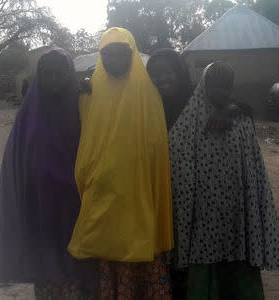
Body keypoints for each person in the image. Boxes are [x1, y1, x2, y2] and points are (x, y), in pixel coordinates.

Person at [156, 60, 279, 300]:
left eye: (226, 86)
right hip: (203, 211)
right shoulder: (189, 120)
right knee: (205, 263)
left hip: (237, 209)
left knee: (238, 261)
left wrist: (234, 109)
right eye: (214, 86)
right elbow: (175, 160)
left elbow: (254, 168)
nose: (220, 92)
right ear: (203, 85)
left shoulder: (241, 118)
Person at [67, 27, 173, 299]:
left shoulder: (148, 94)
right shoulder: (89, 93)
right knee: (109, 264)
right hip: (102, 199)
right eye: (107, 54)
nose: (114, 60)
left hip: (138, 200)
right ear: (101, 56)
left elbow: (157, 150)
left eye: (121, 53)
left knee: (139, 260)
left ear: (132, 53)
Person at [0, 49, 98, 300]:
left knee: (79, 276)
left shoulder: (85, 107)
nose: (54, 79)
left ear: (69, 75)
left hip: (78, 211)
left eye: (60, 73)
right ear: (39, 77)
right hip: (41, 211)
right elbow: (16, 165)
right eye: (47, 74)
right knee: (47, 277)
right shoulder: (28, 115)